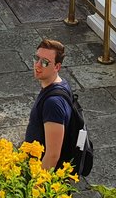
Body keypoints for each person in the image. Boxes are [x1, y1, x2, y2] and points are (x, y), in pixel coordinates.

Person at [25, 38, 73, 171]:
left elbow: (52, 155)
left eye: (45, 62)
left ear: (57, 67)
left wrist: (37, 185)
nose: (38, 65)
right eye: (37, 58)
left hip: (42, 175)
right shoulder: (60, 83)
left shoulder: (53, 104)